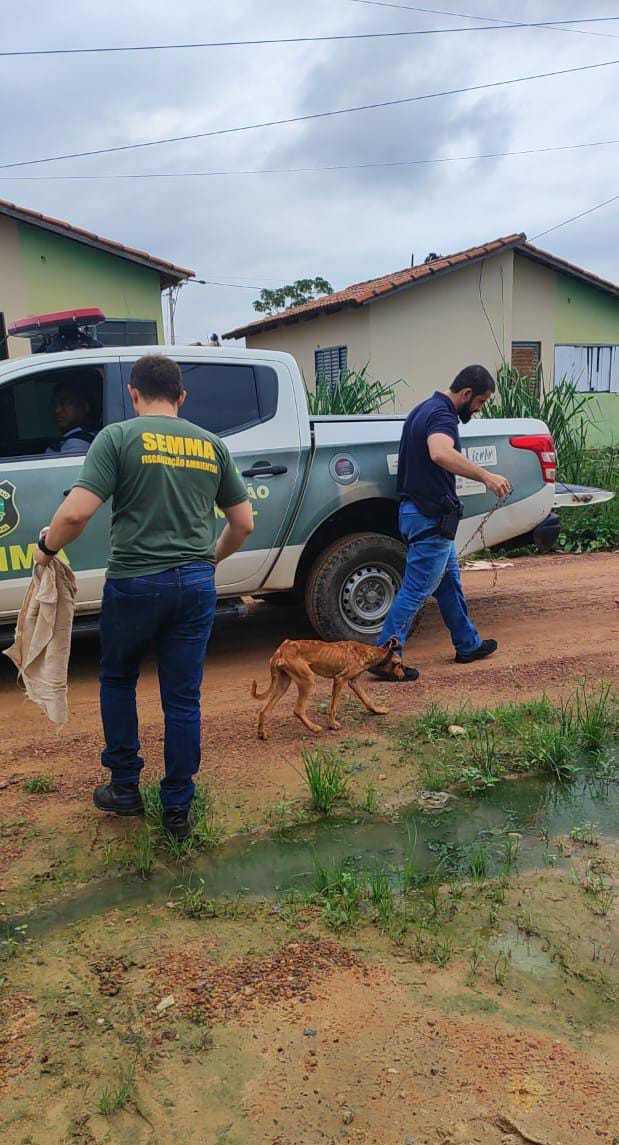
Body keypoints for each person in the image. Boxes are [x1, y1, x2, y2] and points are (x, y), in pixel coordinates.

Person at [35, 354, 254, 838]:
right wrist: (208, 562)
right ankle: (177, 809)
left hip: (136, 583)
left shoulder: (116, 438)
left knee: (117, 679)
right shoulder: (211, 444)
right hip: (196, 585)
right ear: (182, 397)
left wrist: (47, 547)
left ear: (133, 393)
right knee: (182, 699)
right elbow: (243, 524)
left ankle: (126, 788)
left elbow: (74, 516)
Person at [371, 364, 512, 681]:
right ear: (466, 393)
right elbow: (439, 452)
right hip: (429, 517)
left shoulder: (422, 409)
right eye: (481, 402)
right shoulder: (442, 415)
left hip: (419, 514)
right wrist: (486, 476)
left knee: (449, 585)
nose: (478, 409)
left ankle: (468, 644)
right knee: (414, 592)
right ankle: (385, 657)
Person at [45, 380, 97, 455]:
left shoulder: (77, 442)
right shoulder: (87, 435)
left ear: (85, 407)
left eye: (64, 403)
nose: (57, 410)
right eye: (54, 404)